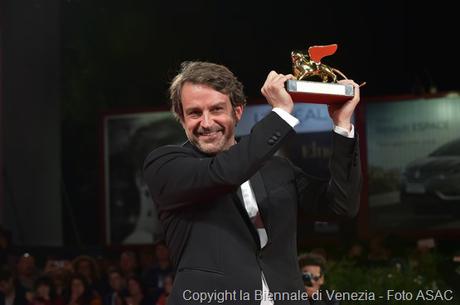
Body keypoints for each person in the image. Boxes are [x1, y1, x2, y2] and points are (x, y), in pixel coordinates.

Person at [143, 61, 362, 304]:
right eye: (194, 113)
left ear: (237, 112)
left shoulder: (279, 169)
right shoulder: (166, 165)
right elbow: (224, 173)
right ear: (182, 120)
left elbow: (341, 206)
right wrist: (279, 114)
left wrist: (342, 126)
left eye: (216, 109)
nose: (206, 123)